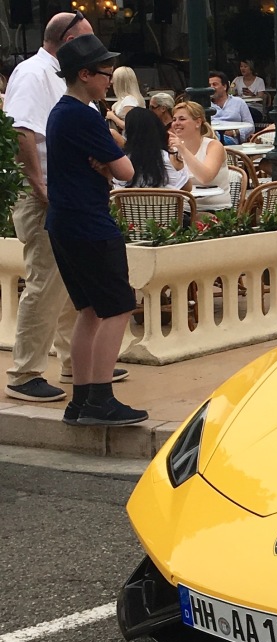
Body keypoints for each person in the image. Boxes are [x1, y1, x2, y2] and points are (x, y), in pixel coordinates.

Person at [46, 34, 145, 425]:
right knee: (119, 306)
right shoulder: (84, 115)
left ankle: (82, 400)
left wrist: (104, 164)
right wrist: (108, 165)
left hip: (64, 223)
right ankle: (101, 398)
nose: (109, 80)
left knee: (89, 311)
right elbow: (127, 170)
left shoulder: (59, 112)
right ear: (85, 75)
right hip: (89, 222)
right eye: (105, 73)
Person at [4, 9, 101, 404]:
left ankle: (70, 361)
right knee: (45, 280)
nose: (93, 49)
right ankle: (25, 371)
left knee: (65, 278)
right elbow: (22, 130)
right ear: (65, 39)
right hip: (44, 192)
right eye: (86, 40)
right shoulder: (32, 73)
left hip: (64, 190)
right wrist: (39, 183)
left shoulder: (58, 73)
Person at [169, 101, 233, 210]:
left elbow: (205, 178)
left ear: (198, 122)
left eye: (182, 119)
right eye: (174, 119)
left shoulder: (213, 146)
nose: (176, 123)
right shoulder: (174, 149)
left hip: (215, 209)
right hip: (183, 209)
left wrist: (183, 150)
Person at [117, 107, 191, 192]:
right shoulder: (171, 157)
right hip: (166, 204)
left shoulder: (122, 161)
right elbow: (187, 189)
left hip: (129, 205)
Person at [208, 70, 254, 141]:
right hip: (211, 137)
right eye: (209, 85)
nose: (211, 87)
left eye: (215, 84)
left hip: (231, 139)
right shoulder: (205, 105)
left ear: (224, 86)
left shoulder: (239, 102)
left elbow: (251, 126)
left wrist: (234, 132)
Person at [104, 65, 143, 133]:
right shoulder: (127, 99)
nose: (111, 82)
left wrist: (112, 116)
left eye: (114, 79)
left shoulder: (129, 101)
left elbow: (129, 126)